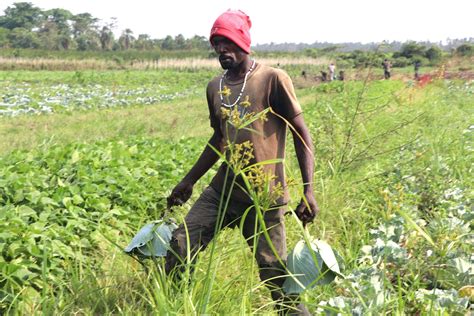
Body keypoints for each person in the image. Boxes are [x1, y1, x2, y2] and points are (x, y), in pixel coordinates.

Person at [165, 9, 318, 315]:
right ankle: (176, 305)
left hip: (264, 194)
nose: (222, 49)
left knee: (274, 272)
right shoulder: (215, 87)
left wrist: (308, 190)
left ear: (243, 41)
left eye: (228, 41)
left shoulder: (272, 79)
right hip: (224, 190)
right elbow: (219, 140)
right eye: (217, 43)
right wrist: (189, 180)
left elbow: (302, 134)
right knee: (179, 245)